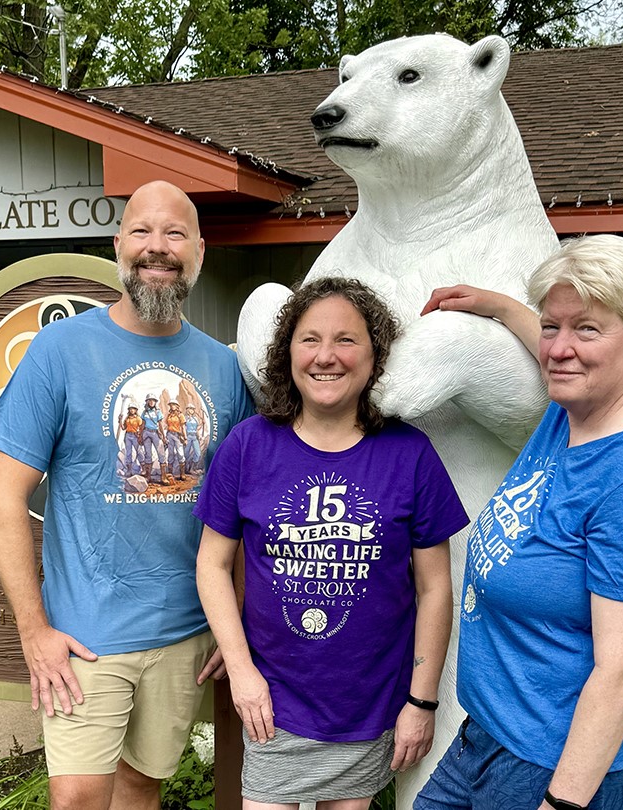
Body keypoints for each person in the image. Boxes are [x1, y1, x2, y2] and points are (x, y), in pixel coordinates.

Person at [0, 180, 255, 810]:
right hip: (86, 633)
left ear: (200, 252)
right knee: (77, 798)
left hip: (185, 631)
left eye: (175, 234)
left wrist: (232, 622)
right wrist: (33, 630)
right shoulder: (59, 350)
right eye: (142, 231)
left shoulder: (222, 368)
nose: (158, 247)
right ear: (118, 245)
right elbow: (4, 496)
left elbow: (240, 511)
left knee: (142, 787)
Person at [414, 234, 623, 810]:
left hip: (552, 766)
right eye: (552, 326)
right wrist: (499, 307)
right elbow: (563, 344)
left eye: (587, 329)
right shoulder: (588, 396)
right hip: (491, 733)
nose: (558, 349)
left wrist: (563, 803)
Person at [196, 277, 467, 810]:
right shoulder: (248, 446)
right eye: (310, 339)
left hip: (367, 706)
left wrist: (421, 701)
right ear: (287, 353)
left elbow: (435, 589)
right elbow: (212, 565)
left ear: (373, 356)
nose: (326, 356)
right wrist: (243, 672)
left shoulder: (409, 454)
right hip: (273, 703)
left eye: (346, 340)